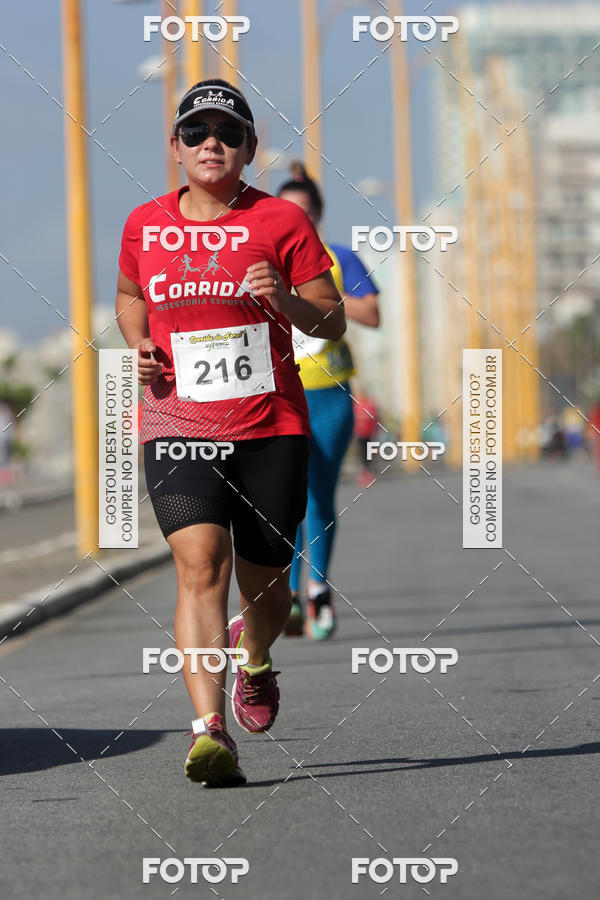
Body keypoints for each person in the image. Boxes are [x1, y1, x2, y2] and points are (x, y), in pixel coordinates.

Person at [115, 79, 345, 786]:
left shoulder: (281, 222)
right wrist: (138, 341)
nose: (209, 142)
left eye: (225, 132)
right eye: (195, 132)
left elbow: (331, 316)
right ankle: (208, 731)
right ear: (177, 147)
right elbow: (130, 296)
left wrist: (284, 299)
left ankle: (258, 658)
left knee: (266, 589)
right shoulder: (144, 224)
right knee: (199, 567)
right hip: (177, 422)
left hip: (269, 425)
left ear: (248, 148)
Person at [277, 165, 380, 640]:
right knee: (285, 496)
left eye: (303, 211)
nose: (295, 218)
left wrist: (321, 296)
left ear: (317, 214)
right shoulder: (265, 258)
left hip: (330, 395)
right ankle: (291, 597)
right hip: (280, 393)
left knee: (318, 491)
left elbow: (372, 314)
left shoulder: (338, 257)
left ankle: (317, 589)